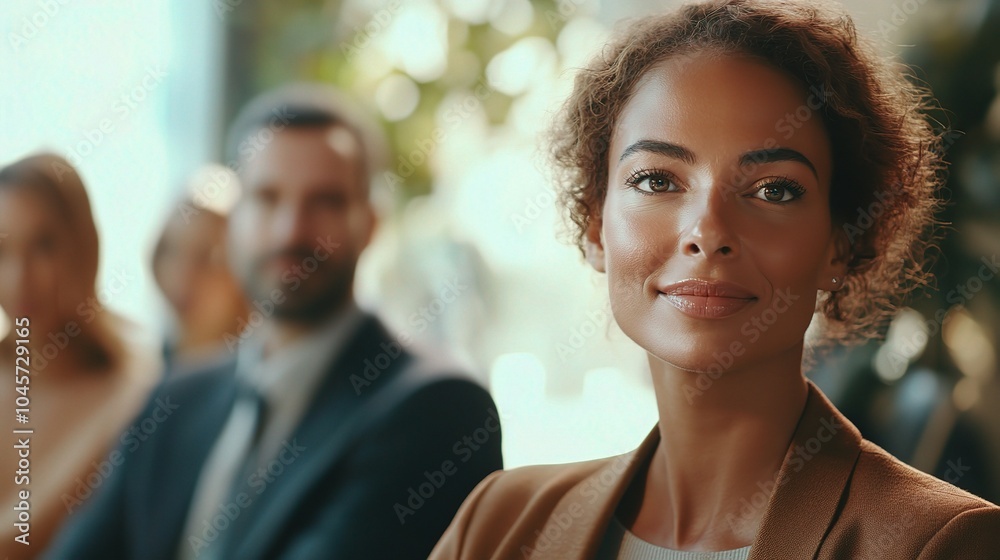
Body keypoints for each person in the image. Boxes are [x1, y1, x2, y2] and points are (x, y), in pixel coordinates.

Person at [431, 1, 1000, 559]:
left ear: (842, 242)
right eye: (657, 180)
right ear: (595, 224)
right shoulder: (498, 525)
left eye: (774, 189)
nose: (708, 230)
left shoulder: (943, 543)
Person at [46, 84, 503, 559]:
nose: (292, 230)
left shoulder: (438, 409)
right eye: (267, 198)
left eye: (324, 202)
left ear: (370, 223)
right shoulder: (174, 404)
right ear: (234, 221)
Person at [0, 153, 156, 558]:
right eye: (1, 250)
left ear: (85, 245)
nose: (20, 276)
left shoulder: (137, 386)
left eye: (45, 246)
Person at [152, 195, 248, 376]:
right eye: (170, 251)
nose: (182, 276)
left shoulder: (256, 378)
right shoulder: (142, 373)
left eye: (208, 258)